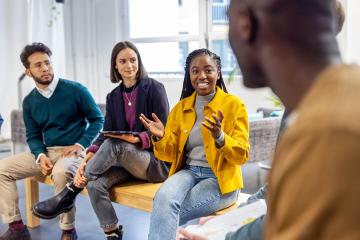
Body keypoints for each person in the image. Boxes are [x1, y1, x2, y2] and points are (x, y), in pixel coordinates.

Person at [178, 1, 347, 239]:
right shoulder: (302, 109)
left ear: (245, 23)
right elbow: (283, 190)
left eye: (228, 17)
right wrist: (230, 220)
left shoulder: (333, 127)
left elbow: (292, 219)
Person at [32, 41, 170, 240]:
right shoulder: (113, 96)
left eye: (133, 60)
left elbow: (164, 132)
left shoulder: (155, 88)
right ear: (115, 65)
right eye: (123, 61)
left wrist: (137, 138)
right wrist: (86, 159)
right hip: (125, 162)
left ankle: (70, 192)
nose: (129, 65)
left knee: (116, 145)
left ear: (139, 62)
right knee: (94, 183)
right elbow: (105, 133)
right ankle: (112, 234)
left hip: (152, 163)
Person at [139, 48, 250, 240]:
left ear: (218, 73)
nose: (202, 76)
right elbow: (167, 154)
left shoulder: (234, 105)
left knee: (166, 211)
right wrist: (160, 137)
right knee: (164, 199)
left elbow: (241, 155)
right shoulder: (181, 107)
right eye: (195, 71)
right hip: (188, 171)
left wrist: (220, 137)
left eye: (208, 70)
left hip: (220, 180)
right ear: (189, 75)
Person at [0, 42, 104, 240]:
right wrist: (39, 155)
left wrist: (80, 144)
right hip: (48, 151)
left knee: (61, 172)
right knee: (2, 168)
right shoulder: (29, 101)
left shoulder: (75, 90)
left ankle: (68, 230)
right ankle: (16, 227)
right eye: (38, 65)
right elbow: (33, 135)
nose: (45, 68)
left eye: (47, 63)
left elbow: (98, 119)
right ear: (28, 71)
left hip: (75, 151)